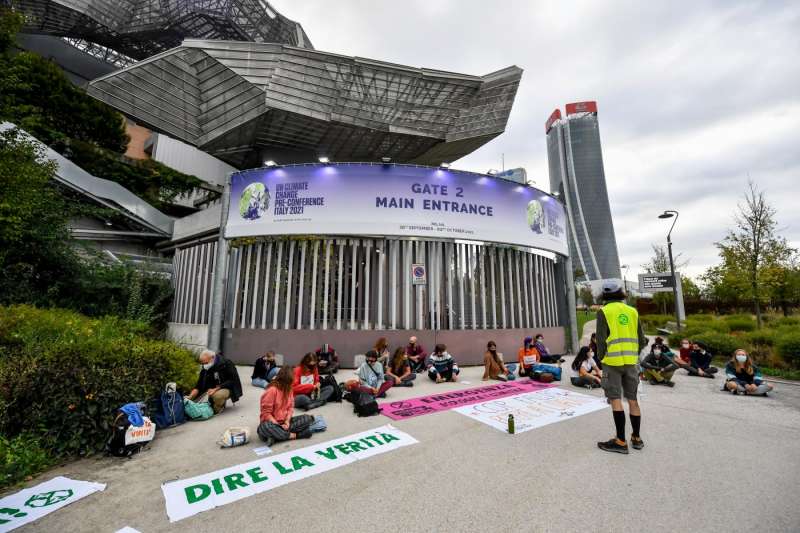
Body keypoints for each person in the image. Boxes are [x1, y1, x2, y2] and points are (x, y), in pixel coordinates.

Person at [595, 280, 648, 454]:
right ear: (621, 293)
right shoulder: (633, 311)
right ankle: (637, 438)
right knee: (633, 400)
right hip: (631, 363)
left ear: (604, 295)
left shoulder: (604, 311)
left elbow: (601, 340)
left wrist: (601, 358)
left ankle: (620, 441)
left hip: (612, 363)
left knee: (616, 400)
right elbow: (642, 339)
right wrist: (634, 354)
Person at [257, 366, 314, 446]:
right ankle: (296, 435)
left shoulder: (289, 388)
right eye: (290, 382)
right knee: (265, 427)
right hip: (272, 423)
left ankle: (276, 437)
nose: (292, 384)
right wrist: (278, 424)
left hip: (285, 423)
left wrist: (287, 422)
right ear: (284, 380)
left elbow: (290, 408)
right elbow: (266, 413)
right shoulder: (272, 390)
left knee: (308, 418)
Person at [187, 349, 243, 414]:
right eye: (202, 363)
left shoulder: (226, 363)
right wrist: (191, 396)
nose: (204, 365)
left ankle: (218, 407)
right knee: (192, 399)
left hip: (226, 387)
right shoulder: (205, 367)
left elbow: (233, 381)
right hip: (211, 389)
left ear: (212, 358)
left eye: (206, 363)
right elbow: (199, 385)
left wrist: (216, 389)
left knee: (217, 396)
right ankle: (211, 402)